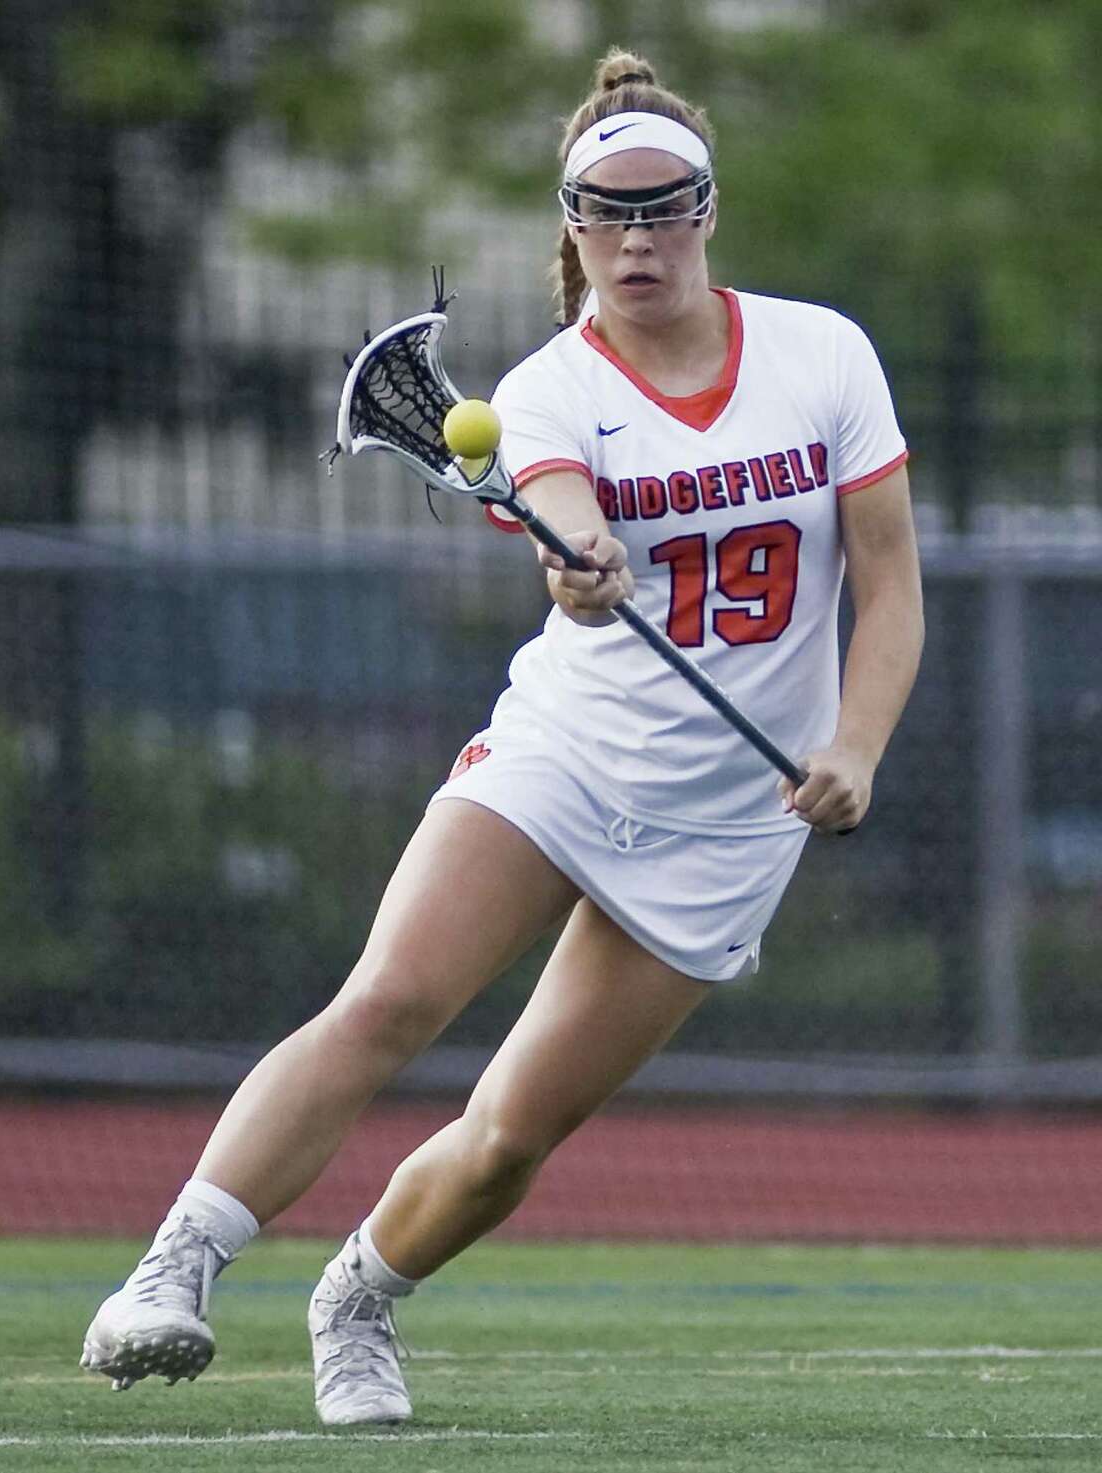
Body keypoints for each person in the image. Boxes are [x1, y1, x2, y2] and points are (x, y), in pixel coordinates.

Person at [81, 48, 924, 1427]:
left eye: (666, 208)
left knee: (511, 1137)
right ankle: (171, 1271)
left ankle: (356, 1296)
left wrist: (861, 746)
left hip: (732, 818)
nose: (639, 238)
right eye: (609, 211)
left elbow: (890, 589)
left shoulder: (825, 355)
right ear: (571, 223)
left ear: (710, 211)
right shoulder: (542, 391)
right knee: (392, 1000)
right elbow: (561, 508)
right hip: (564, 757)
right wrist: (581, 561)